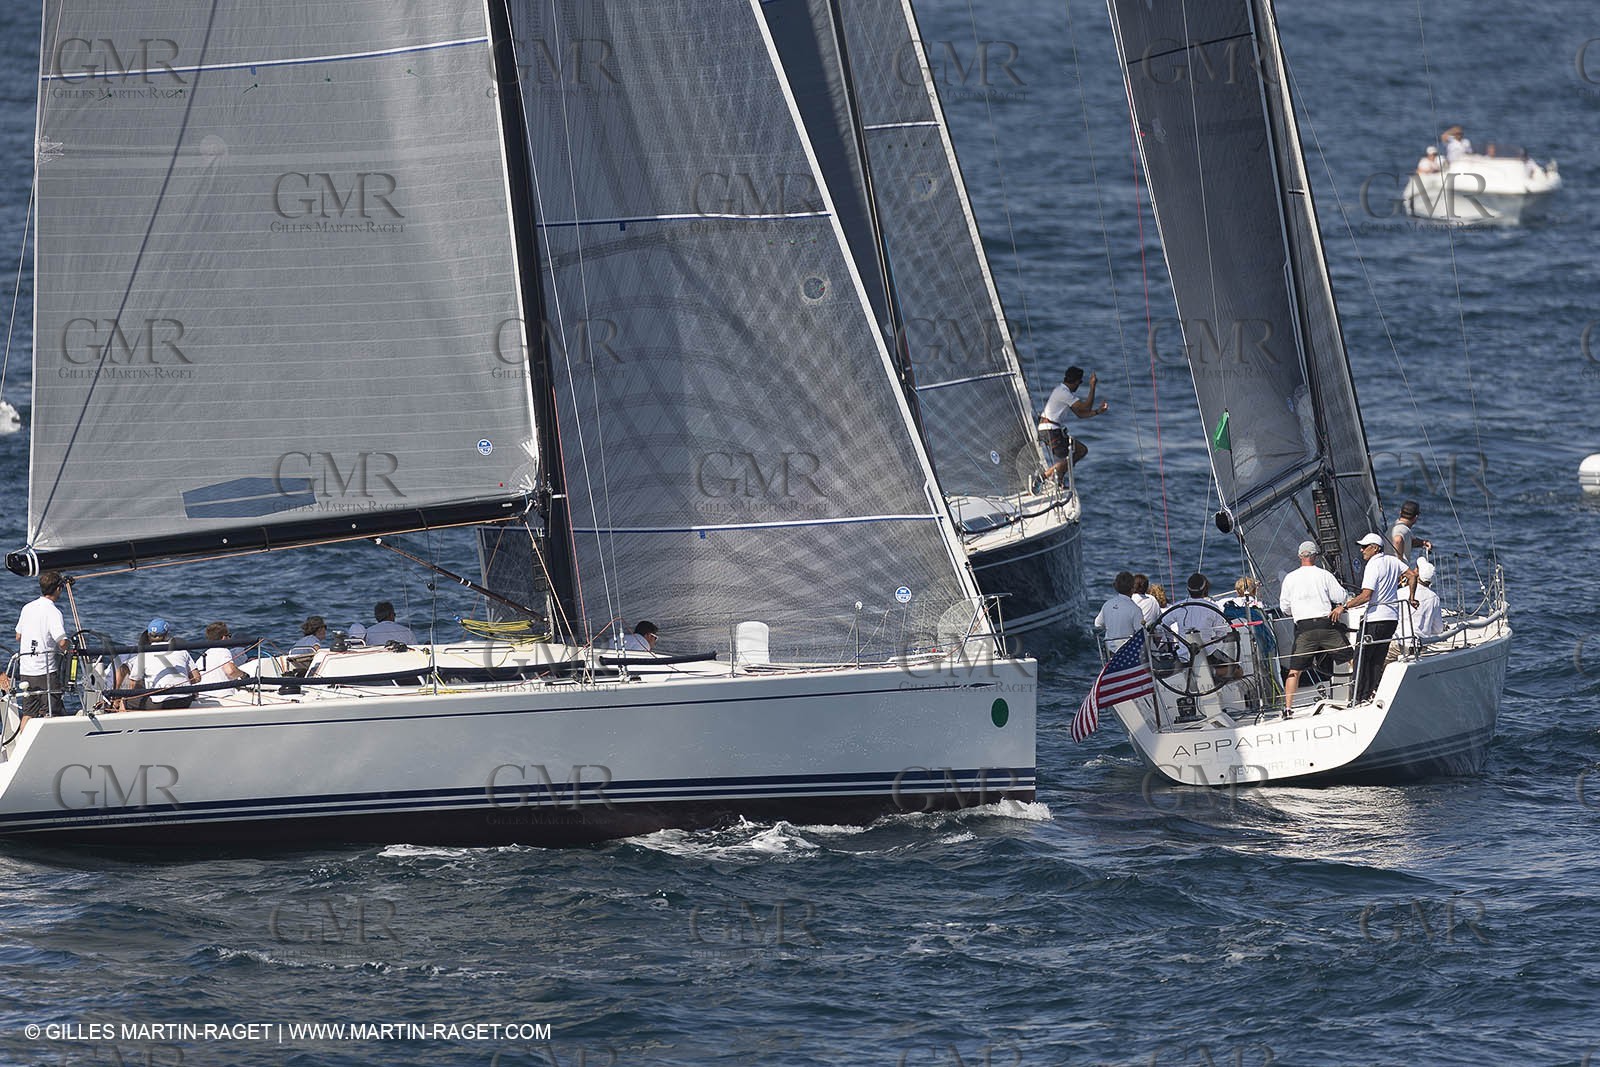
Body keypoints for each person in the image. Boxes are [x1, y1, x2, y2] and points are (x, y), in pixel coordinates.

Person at [1278, 541, 1354, 714]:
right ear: (1315, 556)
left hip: (1304, 629)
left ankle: (1288, 708)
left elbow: (1285, 608)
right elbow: (1341, 596)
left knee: (1294, 670)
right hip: (1326, 626)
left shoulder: (1290, 578)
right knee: (1351, 658)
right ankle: (1365, 692)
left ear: (1300, 556)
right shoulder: (1324, 575)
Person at [1335, 533, 1411, 704]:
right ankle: (1371, 693)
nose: (1361, 550)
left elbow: (1366, 595)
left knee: (1362, 658)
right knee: (1378, 658)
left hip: (1375, 619)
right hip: (1391, 618)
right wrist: (1411, 597)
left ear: (1375, 548)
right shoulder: (1393, 561)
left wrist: (1344, 607)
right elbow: (1412, 575)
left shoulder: (1373, 565)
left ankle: (1357, 697)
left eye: (1365, 546)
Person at [14, 570, 71, 725]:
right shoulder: (53, 611)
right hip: (45, 671)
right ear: (58, 589)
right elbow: (61, 641)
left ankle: (21, 745)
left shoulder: (27, 608)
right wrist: (70, 648)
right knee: (52, 713)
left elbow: (18, 636)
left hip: (26, 670)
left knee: (28, 713)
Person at [1037, 366, 1109, 487]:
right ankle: (1042, 477)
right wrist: (1092, 387)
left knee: (1080, 450)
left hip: (1052, 429)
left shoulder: (1064, 392)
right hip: (1050, 430)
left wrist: (1098, 411)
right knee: (1069, 457)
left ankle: (1058, 480)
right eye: (1080, 382)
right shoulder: (1063, 392)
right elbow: (1086, 407)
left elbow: (1081, 414)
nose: (1079, 385)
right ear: (1076, 381)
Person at [115, 618, 200, 711]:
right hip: (185, 700)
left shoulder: (143, 655)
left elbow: (133, 683)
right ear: (167, 635)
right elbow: (197, 678)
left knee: (125, 700)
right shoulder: (181, 650)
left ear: (148, 635)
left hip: (160, 702)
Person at [1164, 573, 1236, 676]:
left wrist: (1170, 640)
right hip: (1208, 654)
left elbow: (1161, 625)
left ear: (1188, 589)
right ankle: (1211, 673)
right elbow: (1221, 634)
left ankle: (1201, 674)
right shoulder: (1212, 608)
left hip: (1183, 656)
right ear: (1205, 589)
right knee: (1237, 670)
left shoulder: (1178, 607)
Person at [1397, 556, 1445, 647]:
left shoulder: (1400, 593)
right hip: (1420, 646)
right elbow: (1438, 629)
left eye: (1416, 569)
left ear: (1417, 574)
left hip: (1400, 643)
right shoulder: (1434, 598)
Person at [1094, 572, 1144, 653]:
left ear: (1115, 587)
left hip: (1109, 650)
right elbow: (1141, 633)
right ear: (1133, 588)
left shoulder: (1107, 604)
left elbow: (1097, 624)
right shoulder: (1135, 609)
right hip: (1127, 652)